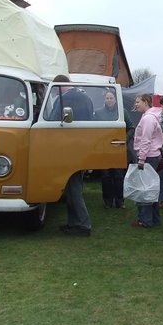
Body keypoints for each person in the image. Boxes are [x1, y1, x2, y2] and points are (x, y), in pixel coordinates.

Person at [51, 75, 94, 237]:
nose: (55, 93)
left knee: (73, 188)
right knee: (72, 187)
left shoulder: (64, 99)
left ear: (60, 86)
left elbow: (52, 120)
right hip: (82, 148)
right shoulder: (86, 97)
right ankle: (73, 223)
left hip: (68, 149)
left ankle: (83, 225)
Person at [94, 89, 135, 209]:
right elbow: (95, 130)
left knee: (119, 176)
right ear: (104, 99)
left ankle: (120, 201)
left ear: (115, 99)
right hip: (104, 149)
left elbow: (131, 128)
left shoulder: (122, 112)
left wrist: (125, 140)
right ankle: (107, 201)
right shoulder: (98, 113)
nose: (109, 100)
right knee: (106, 176)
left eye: (111, 98)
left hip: (119, 149)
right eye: (107, 98)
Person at [131, 93, 163, 228]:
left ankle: (145, 220)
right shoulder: (149, 116)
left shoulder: (148, 118)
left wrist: (141, 159)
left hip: (148, 157)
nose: (136, 104)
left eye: (138, 102)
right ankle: (154, 219)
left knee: (144, 190)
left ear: (146, 102)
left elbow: (146, 140)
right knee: (150, 188)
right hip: (152, 155)